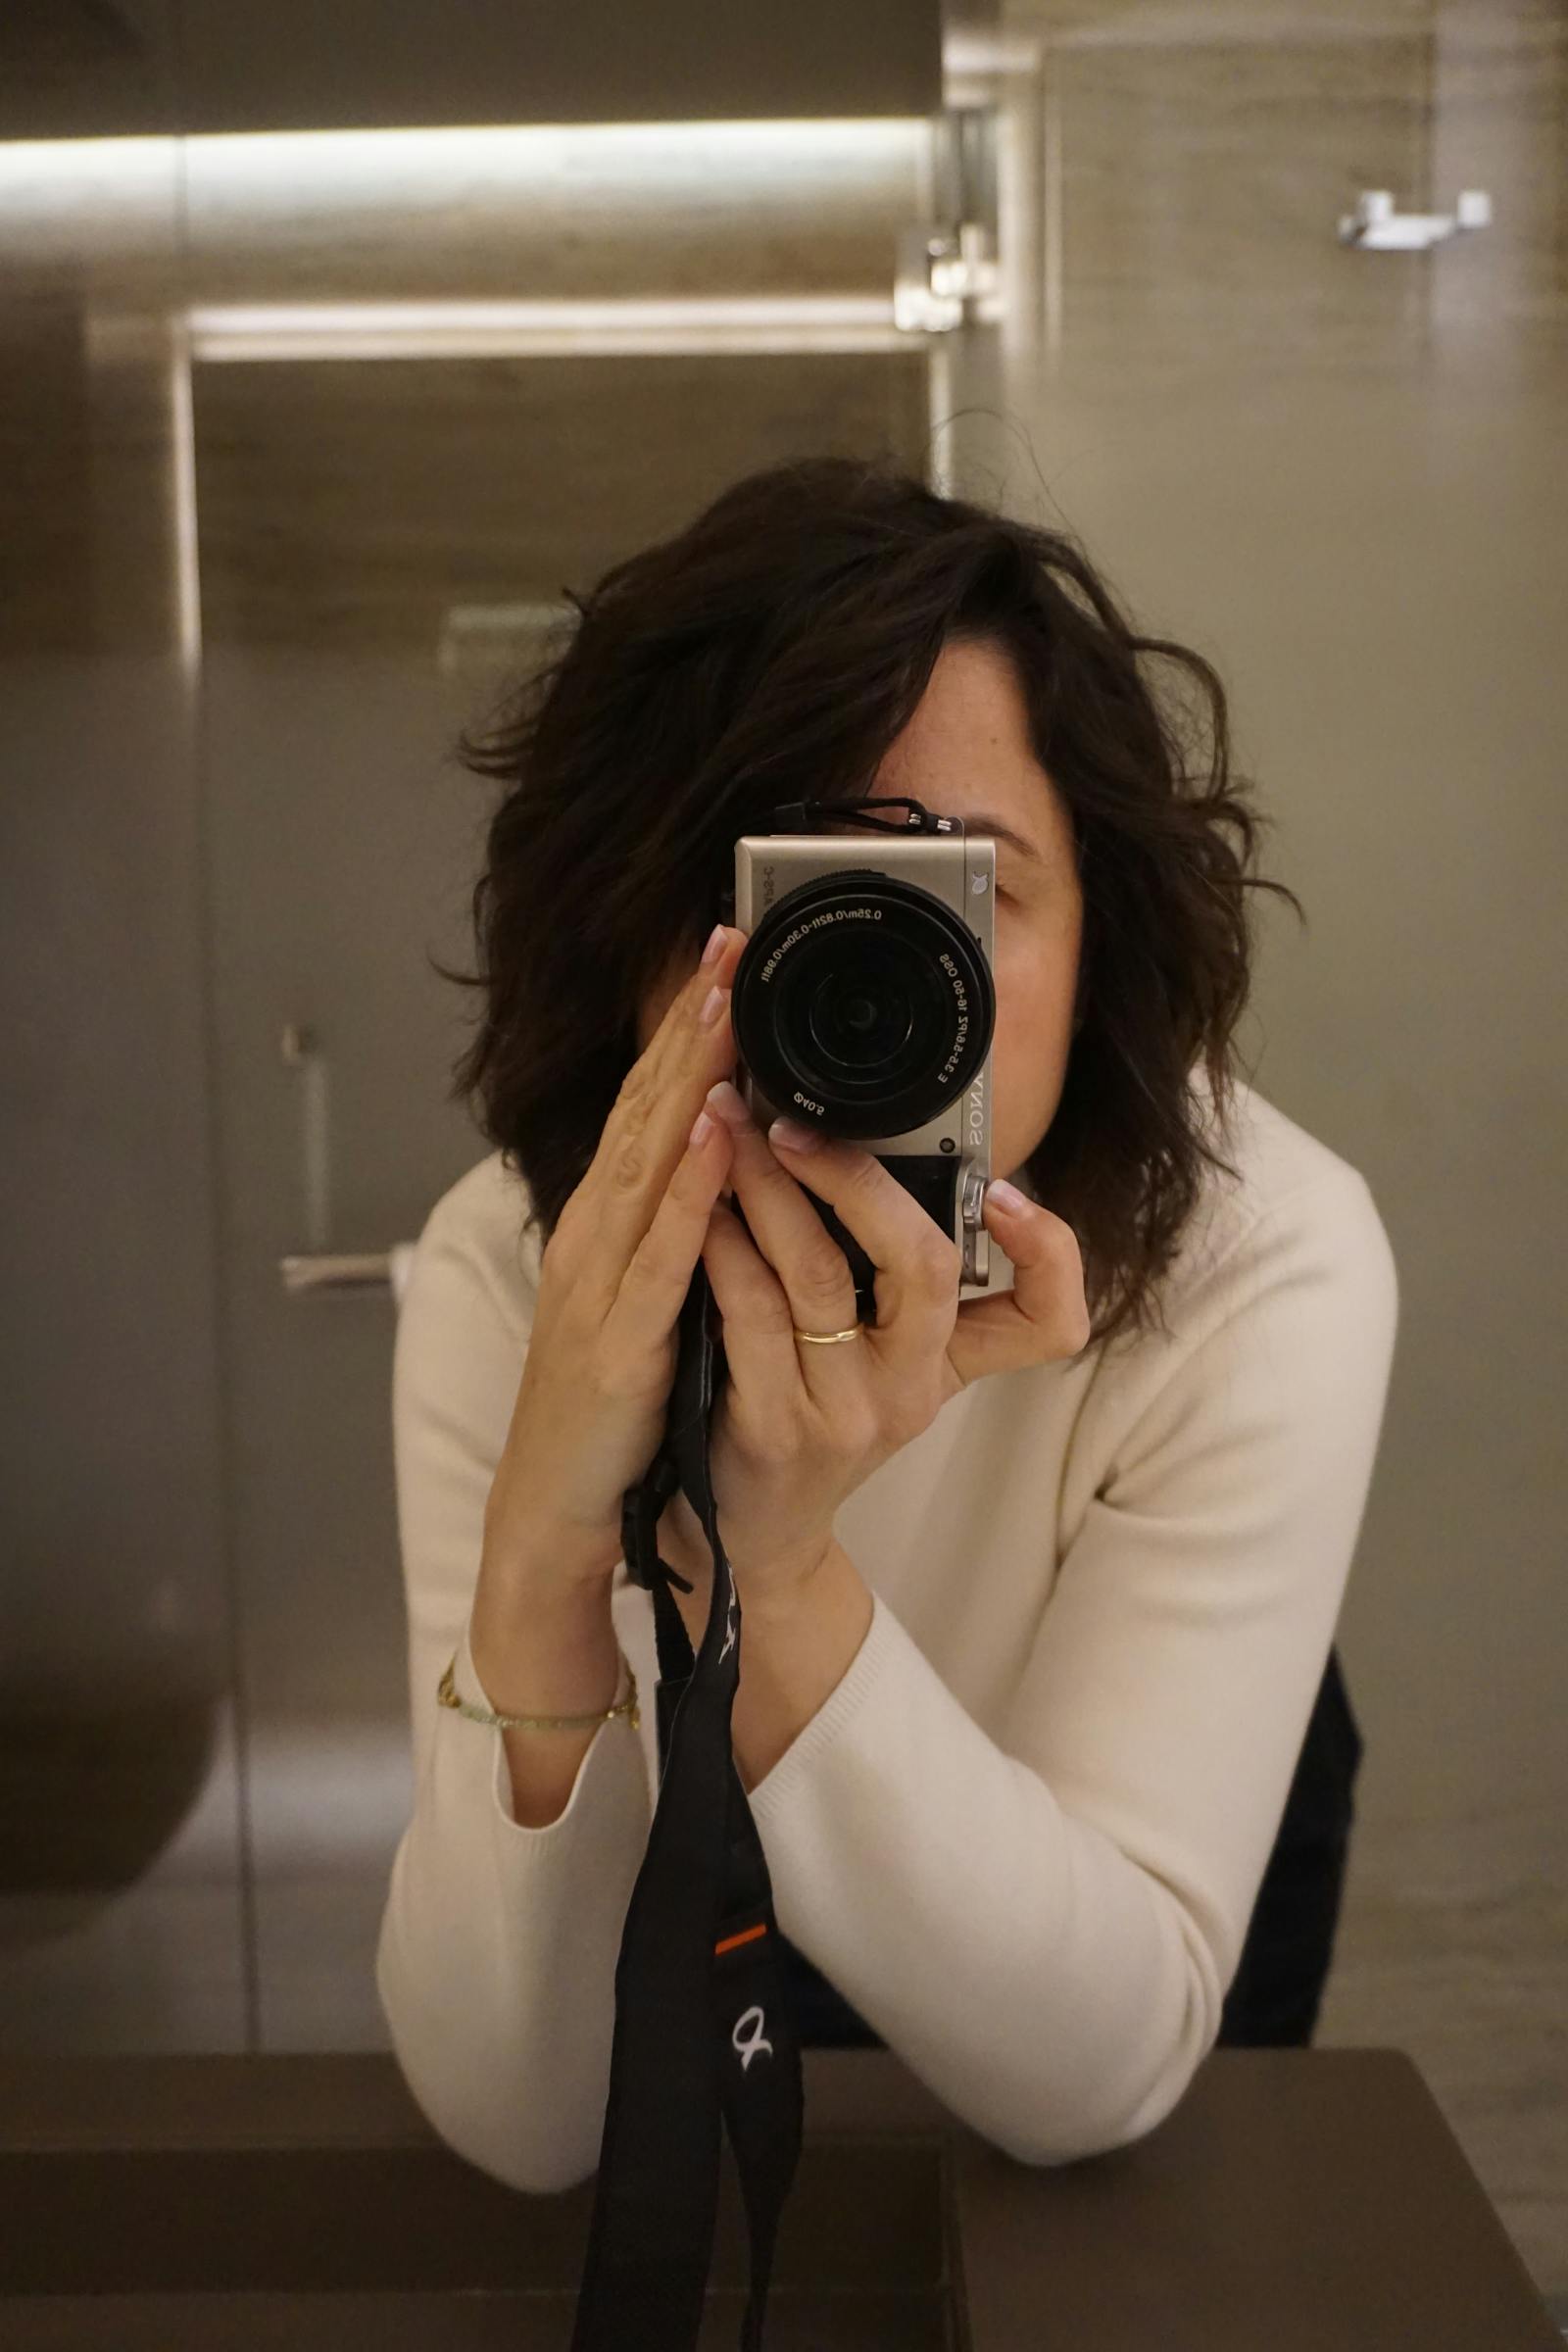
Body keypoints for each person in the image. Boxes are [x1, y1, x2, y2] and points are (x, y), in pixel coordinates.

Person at [374, 456, 1398, 2195]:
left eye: (953, 898)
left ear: (1104, 942)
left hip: (1087, 1918)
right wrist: (547, 1552)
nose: (861, 985)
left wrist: (765, 1571)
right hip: (694, 1933)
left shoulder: (1258, 1260)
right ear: (627, 939)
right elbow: (525, 2124)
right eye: (784, 902)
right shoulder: (514, 1266)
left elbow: (1092, 2072)